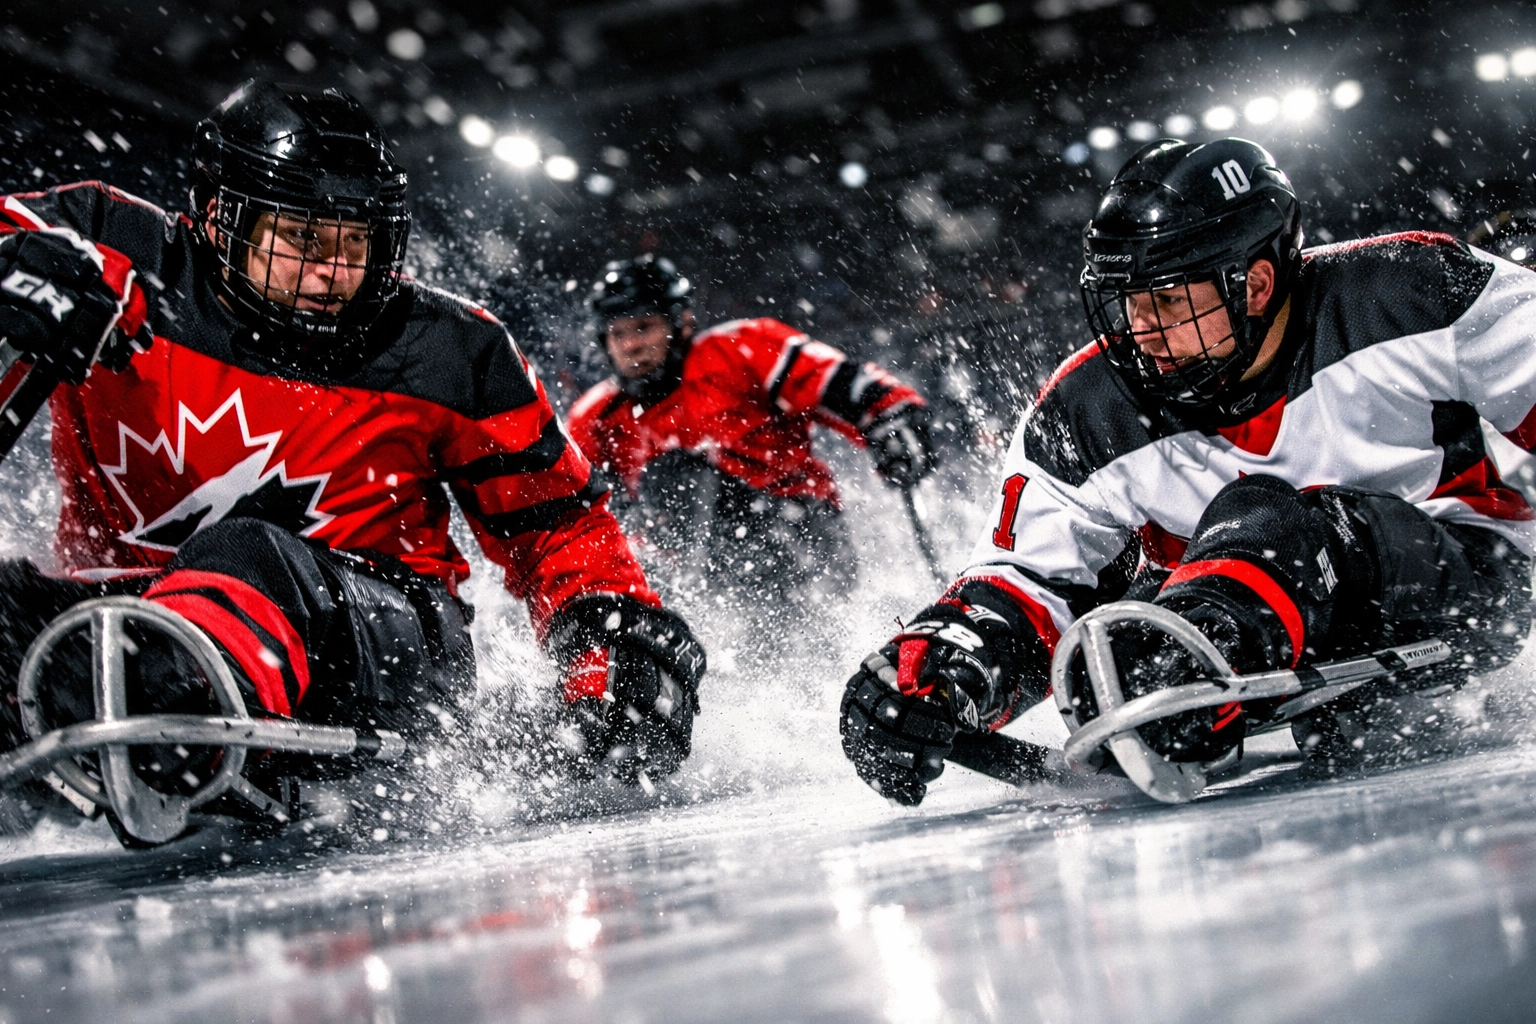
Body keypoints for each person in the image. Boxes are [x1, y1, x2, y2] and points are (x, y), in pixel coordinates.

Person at [0, 80, 705, 821]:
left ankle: (171, 694)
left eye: (354, 242)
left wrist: (605, 636)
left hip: (378, 644)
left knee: (251, 554)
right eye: (302, 238)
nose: (331, 273)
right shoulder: (109, 245)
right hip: (111, 626)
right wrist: (22, 268)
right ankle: (130, 685)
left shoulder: (453, 350)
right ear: (217, 217)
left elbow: (558, 529)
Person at [840, 137, 1536, 805]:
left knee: (1268, 518)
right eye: (1127, 304)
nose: (1140, 330)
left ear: (1256, 283)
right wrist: (939, 669)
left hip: (1465, 583)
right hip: (1241, 612)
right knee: (1108, 644)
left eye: (1166, 301)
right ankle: (1197, 655)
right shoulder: (1083, 409)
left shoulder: (1411, 289)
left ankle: (1205, 654)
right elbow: (1030, 581)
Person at [566, 254, 935, 600]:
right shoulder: (593, 419)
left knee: (676, 477)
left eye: (644, 327)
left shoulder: (739, 349)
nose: (630, 345)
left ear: (681, 322)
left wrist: (894, 420)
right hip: (695, 574)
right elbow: (583, 524)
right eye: (617, 334)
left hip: (802, 530)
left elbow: (840, 381)